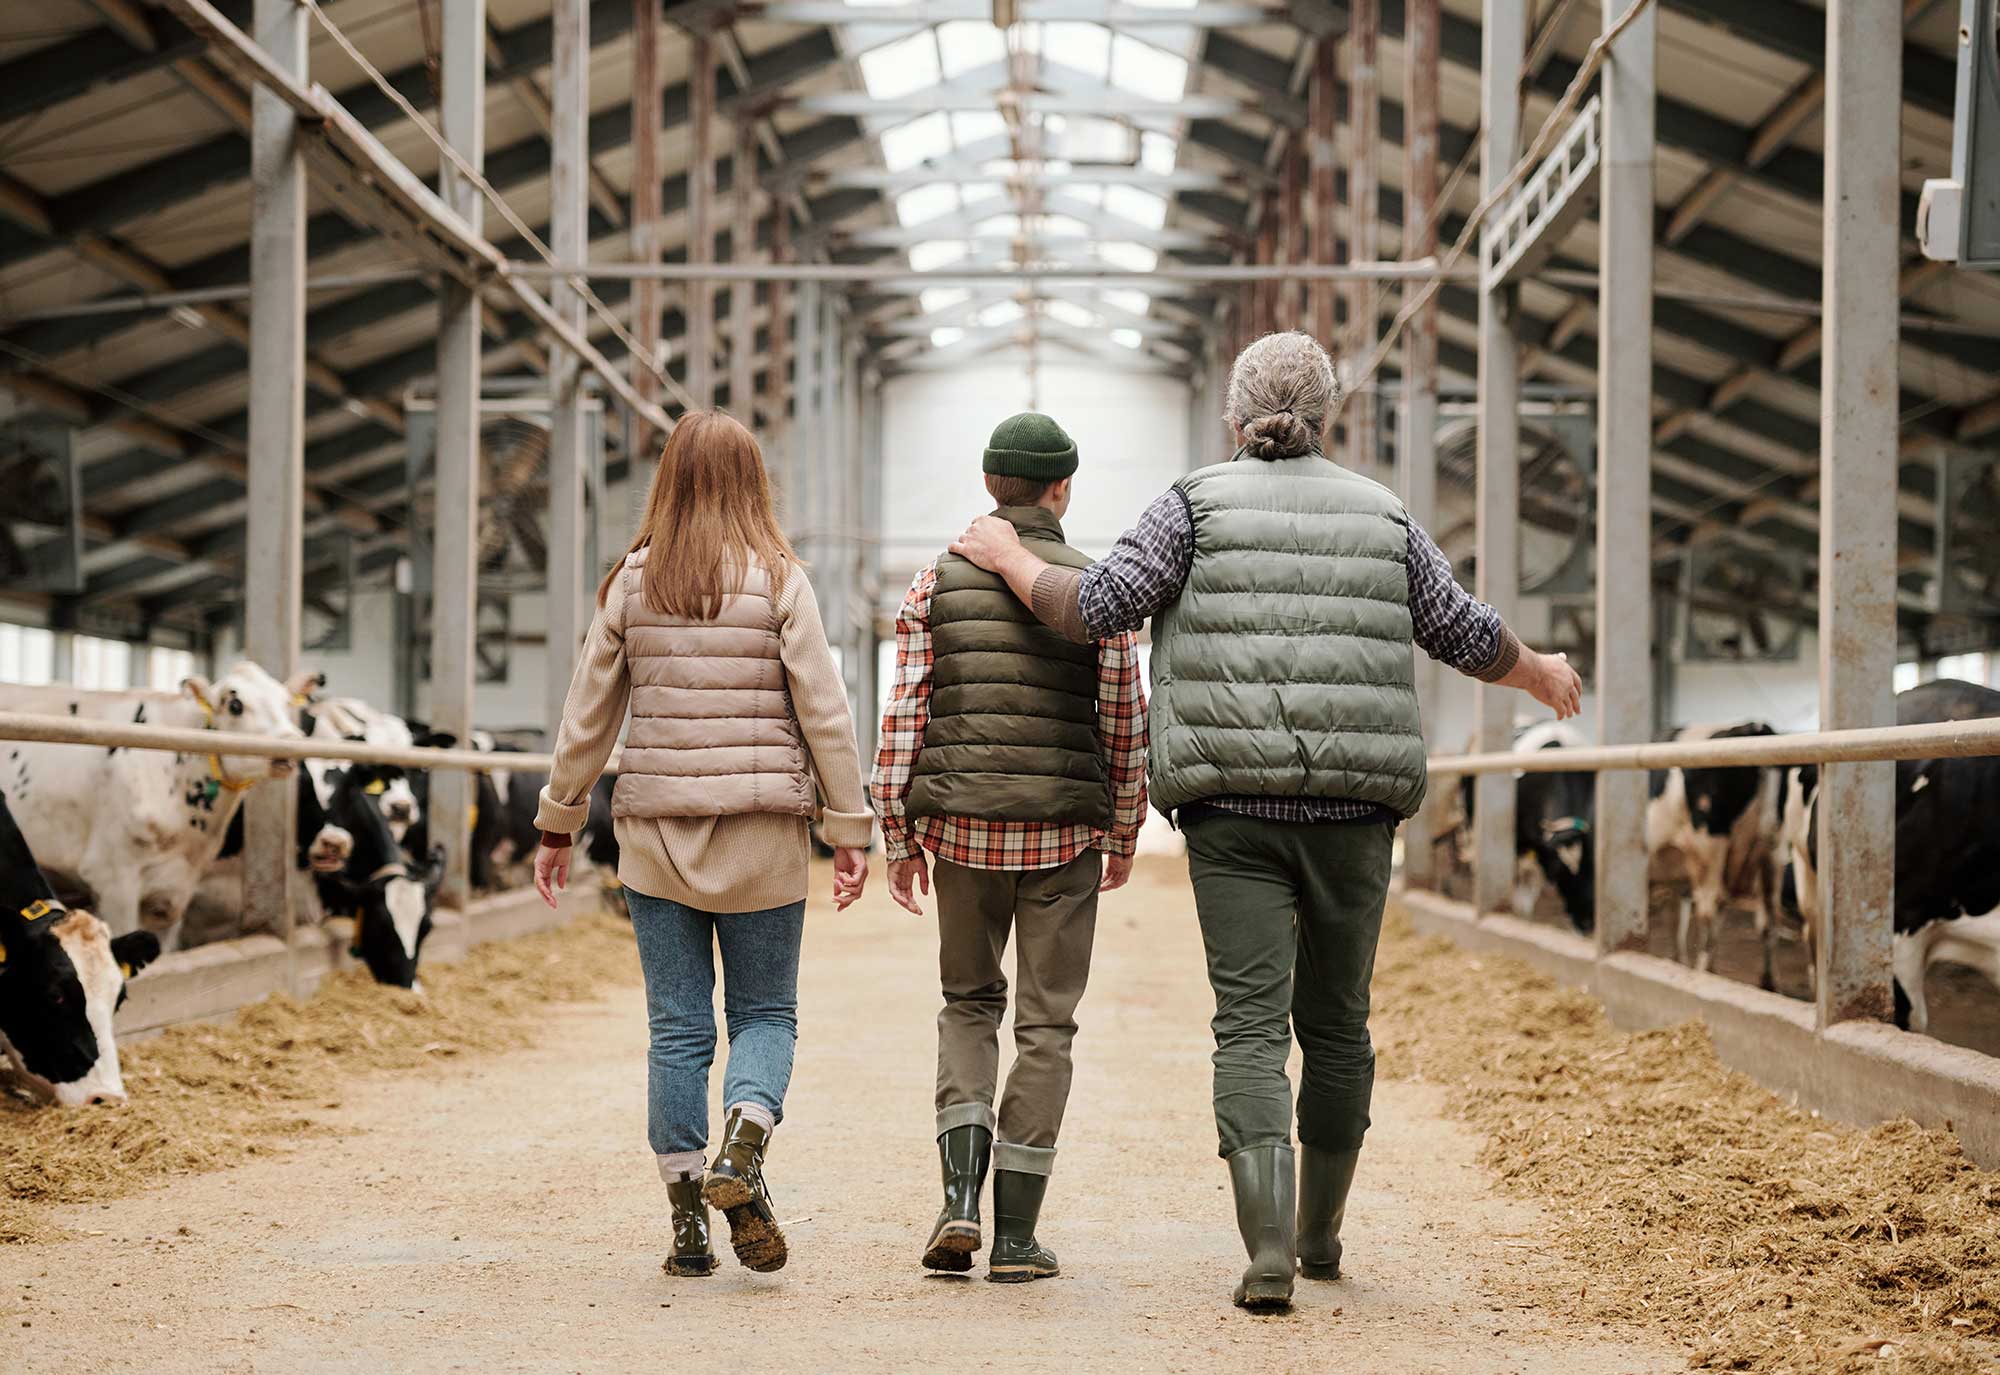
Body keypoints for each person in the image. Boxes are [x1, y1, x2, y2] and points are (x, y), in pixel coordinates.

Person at [950, 333, 1581, 1311]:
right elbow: (1458, 626)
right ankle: (1323, 1234)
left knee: (1247, 1024)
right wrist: (1535, 669)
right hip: (1356, 811)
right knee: (1336, 1025)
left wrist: (1003, 554)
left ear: (1235, 419)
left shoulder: (1192, 502)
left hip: (1231, 807)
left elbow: (1100, 607)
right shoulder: (1383, 512)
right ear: (1324, 415)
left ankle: (1267, 1252)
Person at [531, 410, 874, 1280]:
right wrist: (849, 828)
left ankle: (688, 1229)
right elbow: (825, 712)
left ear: (668, 480)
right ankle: (744, 1145)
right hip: (762, 835)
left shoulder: (631, 583)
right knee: (764, 1014)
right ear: (754, 483)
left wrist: (558, 820)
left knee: (677, 1031)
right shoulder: (781, 579)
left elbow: (587, 714)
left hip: (655, 841)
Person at [871, 412, 1149, 1284]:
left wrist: (896, 830)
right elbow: (1124, 720)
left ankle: (958, 1201)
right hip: (1064, 832)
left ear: (992, 485)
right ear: (1061, 488)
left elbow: (904, 715)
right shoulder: (1095, 591)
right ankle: (1017, 1235)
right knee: (1046, 1024)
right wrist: (1126, 824)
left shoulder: (933, 584)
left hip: (960, 830)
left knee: (967, 1004)